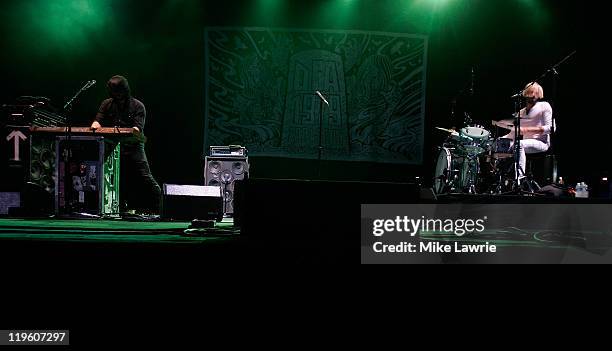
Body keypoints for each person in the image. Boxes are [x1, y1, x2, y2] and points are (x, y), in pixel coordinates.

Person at [91, 75, 161, 214]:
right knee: (103, 175)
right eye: (114, 91)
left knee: (145, 177)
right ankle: (114, 207)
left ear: (125, 90)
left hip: (133, 146)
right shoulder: (106, 104)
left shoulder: (138, 106)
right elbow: (97, 121)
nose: (117, 95)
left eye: (119, 91)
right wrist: (95, 126)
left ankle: (162, 206)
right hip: (113, 145)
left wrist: (124, 132)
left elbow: (137, 129)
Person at [501, 81, 554, 179]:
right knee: (500, 145)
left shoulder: (544, 106)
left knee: (519, 144)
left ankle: (519, 178)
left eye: (536, 93)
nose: (533, 95)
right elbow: (513, 133)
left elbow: (549, 128)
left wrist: (528, 129)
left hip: (541, 142)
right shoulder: (521, 112)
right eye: (531, 92)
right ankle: (501, 178)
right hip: (525, 142)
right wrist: (501, 140)